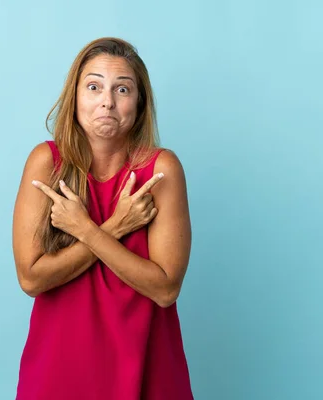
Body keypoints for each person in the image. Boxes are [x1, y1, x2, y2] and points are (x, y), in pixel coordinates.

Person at [12, 37, 193, 399]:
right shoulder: (46, 163)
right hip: (59, 367)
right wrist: (114, 228)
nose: (107, 101)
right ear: (75, 96)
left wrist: (85, 229)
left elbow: (165, 289)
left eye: (122, 89)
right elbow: (31, 279)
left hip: (146, 365)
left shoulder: (162, 170)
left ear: (139, 102)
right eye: (94, 86)